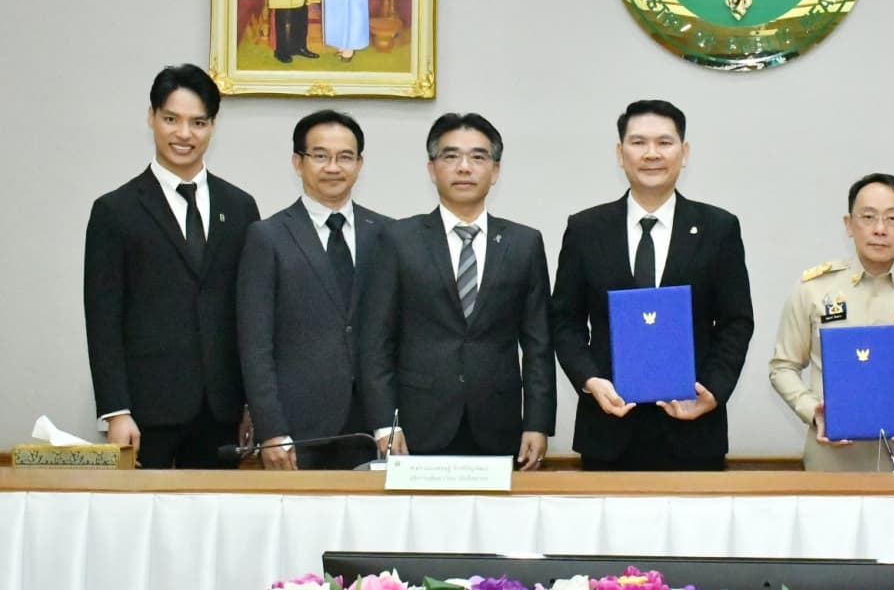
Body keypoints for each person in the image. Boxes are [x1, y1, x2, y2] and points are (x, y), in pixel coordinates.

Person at [550, 99, 754, 471]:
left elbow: (736, 322)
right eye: (638, 142)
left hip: (694, 429)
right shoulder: (585, 229)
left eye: (664, 142)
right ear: (620, 152)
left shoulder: (719, 228)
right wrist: (590, 380)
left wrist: (712, 390)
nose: (651, 154)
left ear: (684, 152)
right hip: (607, 429)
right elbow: (564, 322)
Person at [83, 64, 261, 468]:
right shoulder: (115, 211)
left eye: (198, 122)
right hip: (146, 413)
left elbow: (248, 313)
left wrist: (252, 403)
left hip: (222, 412)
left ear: (212, 127)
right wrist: (116, 411)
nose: (184, 134)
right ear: (151, 118)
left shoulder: (240, 208)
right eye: (171, 119)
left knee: (215, 526)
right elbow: (103, 320)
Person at [356, 113, 554, 465]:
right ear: (432, 169)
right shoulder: (399, 241)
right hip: (416, 425)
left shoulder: (524, 243)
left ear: (495, 171)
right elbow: (375, 342)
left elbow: (538, 343)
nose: (464, 167)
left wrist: (537, 423)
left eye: (478, 157)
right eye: (450, 157)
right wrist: (384, 423)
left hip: (498, 424)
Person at [768, 173, 894, 470]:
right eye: (868, 217)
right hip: (830, 456)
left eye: (892, 219)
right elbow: (782, 366)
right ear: (849, 225)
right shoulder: (813, 289)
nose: (880, 229)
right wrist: (812, 409)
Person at [237, 110, 391, 470]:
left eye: (345, 157)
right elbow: (254, 343)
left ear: (360, 163)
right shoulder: (268, 237)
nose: (333, 167)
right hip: (296, 429)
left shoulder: (386, 235)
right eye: (320, 156)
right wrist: (271, 429)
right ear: (298, 162)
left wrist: (390, 420)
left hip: (369, 427)